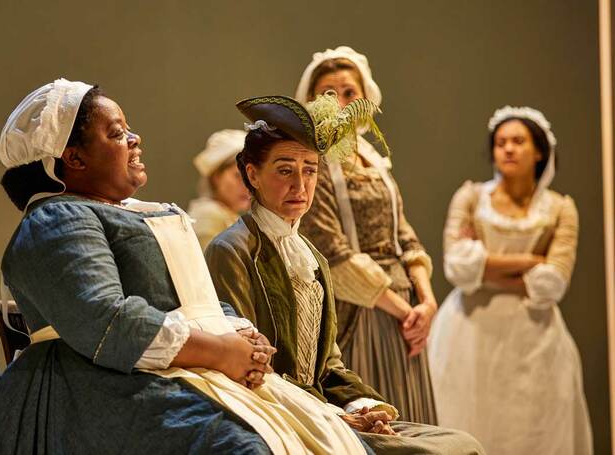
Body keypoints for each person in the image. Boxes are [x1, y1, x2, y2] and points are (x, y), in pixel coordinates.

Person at [0, 78, 384, 454]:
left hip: (172, 369)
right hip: (93, 387)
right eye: (117, 133)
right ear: (74, 158)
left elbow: (195, 300)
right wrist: (220, 351)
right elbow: (107, 320)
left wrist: (242, 334)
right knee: (244, 447)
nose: (135, 139)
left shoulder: (137, 213)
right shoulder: (57, 220)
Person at [206, 93, 485, 454]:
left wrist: (362, 407)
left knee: (459, 443)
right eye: (285, 169)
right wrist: (330, 416)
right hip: (279, 418)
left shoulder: (312, 258)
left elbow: (328, 366)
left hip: (324, 411)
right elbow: (248, 369)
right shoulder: (233, 250)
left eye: (310, 170)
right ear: (253, 174)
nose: (300, 185)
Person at [428, 106, 593, 454]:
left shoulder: (560, 208)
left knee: (530, 427)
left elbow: (552, 283)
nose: (508, 149)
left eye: (518, 141)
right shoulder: (472, 198)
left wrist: (485, 267)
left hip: (534, 336)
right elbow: (457, 267)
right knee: (466, 417)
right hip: (468, 331)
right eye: (500, 142)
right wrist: (530, 261)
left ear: (538, 151)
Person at [296, 46, 438, 424]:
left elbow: (403, 233)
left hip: (403, 308)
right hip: (362, 309)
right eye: (327, 93)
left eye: (348, 92)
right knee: (376, 416)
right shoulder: (314, 163)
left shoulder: (374, 161)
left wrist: (426, 299)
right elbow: (332, 251)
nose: (339, 102)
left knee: (413, 412)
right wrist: (404, 311)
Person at [188, 129, 251, 250]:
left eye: (251, 177)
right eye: (238, 176)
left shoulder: (227, 216)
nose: (247, 186)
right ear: (216, 176)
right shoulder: (209, 216)